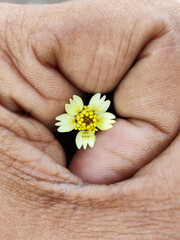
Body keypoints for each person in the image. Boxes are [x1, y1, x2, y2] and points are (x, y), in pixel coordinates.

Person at [0, 0, 179, 239]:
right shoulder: (81, 117)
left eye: (87, 119)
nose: (86, 120)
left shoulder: (94, 118)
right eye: (84, 118)